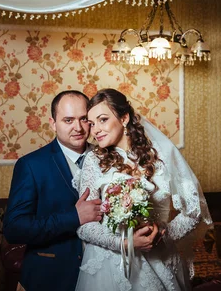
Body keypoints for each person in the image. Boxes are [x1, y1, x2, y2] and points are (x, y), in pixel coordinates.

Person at [74, 88, 212, 291]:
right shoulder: (94, 161)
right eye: (92, 123)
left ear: (124, 118)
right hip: (111, 266)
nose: (95, 130)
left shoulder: (162, 157)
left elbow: (193, 211)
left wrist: (162, 235)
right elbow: (85, 226)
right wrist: (125, 243)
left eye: (103, 120)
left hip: (161, 260)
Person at [3, 90, 102, 291]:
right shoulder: (31, 165)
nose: (78, 128)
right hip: (50, 277)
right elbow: (14, 228)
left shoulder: (108, 158)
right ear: (53, 123)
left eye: (84, 119)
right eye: (68, 120)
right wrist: (73, 217)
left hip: (104, 274)